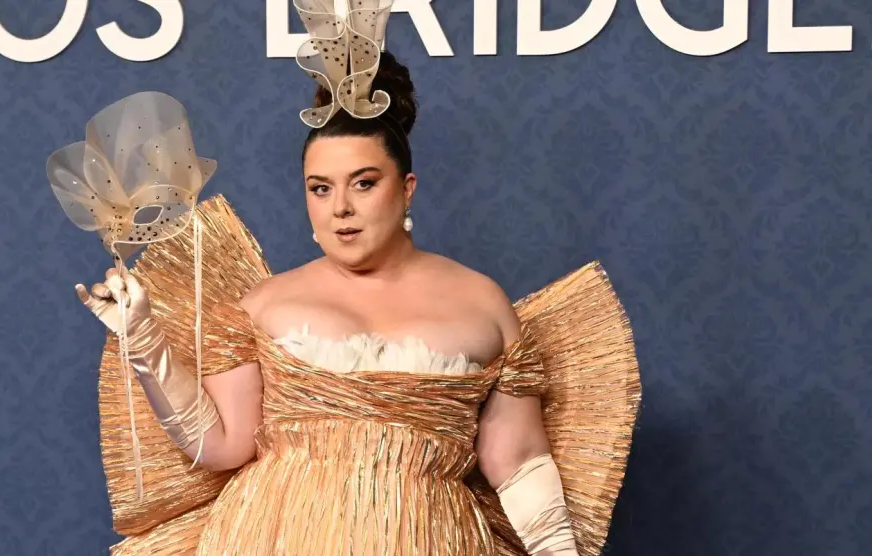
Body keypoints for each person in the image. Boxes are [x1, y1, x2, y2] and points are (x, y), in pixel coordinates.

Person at [69, 3, 640, 555]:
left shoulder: (483, 304)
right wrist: (143, 343)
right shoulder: (263, 306)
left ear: (406, 189)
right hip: (272, 538)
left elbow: (517, 465)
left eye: (364, 183)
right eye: (321, 188)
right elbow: (220, 446)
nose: (340, 207)